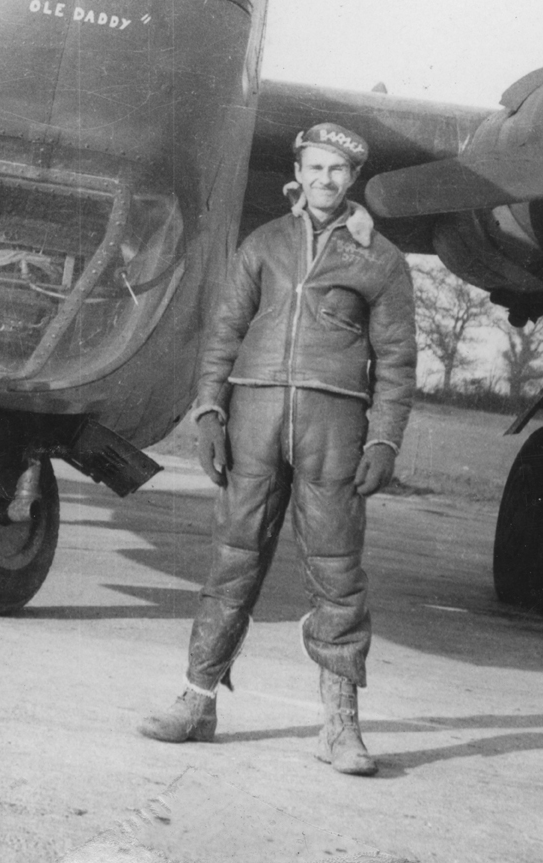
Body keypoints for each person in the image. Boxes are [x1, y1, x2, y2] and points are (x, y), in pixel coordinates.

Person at [139, 123, 416, 776]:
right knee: (232, 560)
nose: (326, 180)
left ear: (352, 179)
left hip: (333, 429)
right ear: (299, 171)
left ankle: (340, 726)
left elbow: (398, 359)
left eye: (338, 171)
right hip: (255, 419)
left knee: (338, 575)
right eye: (316, 168)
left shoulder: (380, 260)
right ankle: (197, 700)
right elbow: (226, 330)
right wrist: (210, 410)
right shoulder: (263, 245)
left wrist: (384, 436)